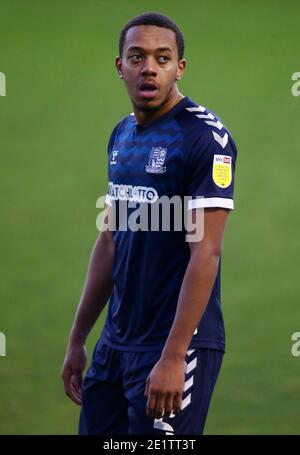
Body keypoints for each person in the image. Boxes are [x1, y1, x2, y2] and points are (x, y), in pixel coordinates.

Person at [61, 11, 238, 435]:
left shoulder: (204, 139)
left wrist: (175, 356)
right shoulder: (121, 135)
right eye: (137, 57)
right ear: (120, 65)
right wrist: (78, 337)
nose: (149, 69)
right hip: (116, 343)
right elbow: (109, 241)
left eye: (162, 59)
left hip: (177, 345)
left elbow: (207, 251)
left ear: (180, 68)